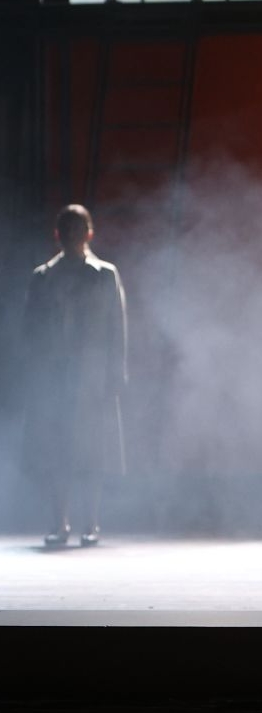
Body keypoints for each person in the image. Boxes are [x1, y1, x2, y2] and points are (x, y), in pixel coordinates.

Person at [22, 205, 127, 548]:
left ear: (89, 233)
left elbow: (117, 327)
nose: (72, 235)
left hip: (92, 375)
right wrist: (35, 374)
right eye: (66, 229)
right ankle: (60, 522)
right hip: (54, 374)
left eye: (77, 229)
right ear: (57, 234)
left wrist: (116, 373)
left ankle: (91, 522)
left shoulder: (104, 274)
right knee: (57, 450)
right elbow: (30, 330)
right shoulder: (43, 277)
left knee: (92, 450)